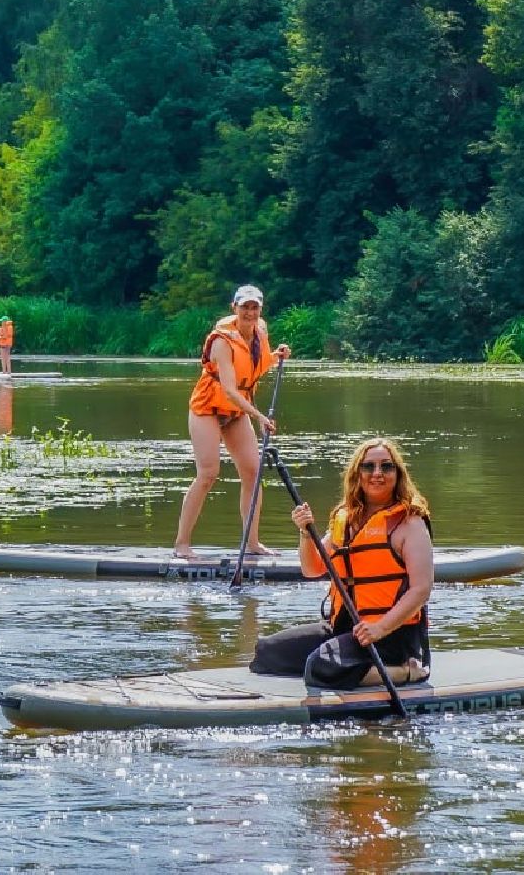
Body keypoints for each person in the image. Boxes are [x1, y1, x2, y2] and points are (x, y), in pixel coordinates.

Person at [249, 438, 434, 689]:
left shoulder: (410, 523)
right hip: (344, 629)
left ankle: (405, 671)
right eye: (368, 467)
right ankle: (337, 668)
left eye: (386, 467)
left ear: (397, 474)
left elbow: (421, 589)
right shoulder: (345, 518)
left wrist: (379, 628)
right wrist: (305, 533)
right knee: (266, 653)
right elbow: (312, 569)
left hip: (391, 635)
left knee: (320, 666)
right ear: (357, 474)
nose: (377, 474)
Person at [173, 285, 291, 559]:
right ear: (234, 308)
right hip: (207, 410)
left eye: (254, 307)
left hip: (235, 413)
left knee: (252, 471)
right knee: (208, 473)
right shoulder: (222, 342)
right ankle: (182, 544)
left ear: (260, 309)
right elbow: (229, 389)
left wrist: (276, 356)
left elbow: (254, 368)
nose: (250, 312)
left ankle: (252, 543)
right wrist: (259, 416)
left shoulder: (260, 333)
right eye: (244, 307)